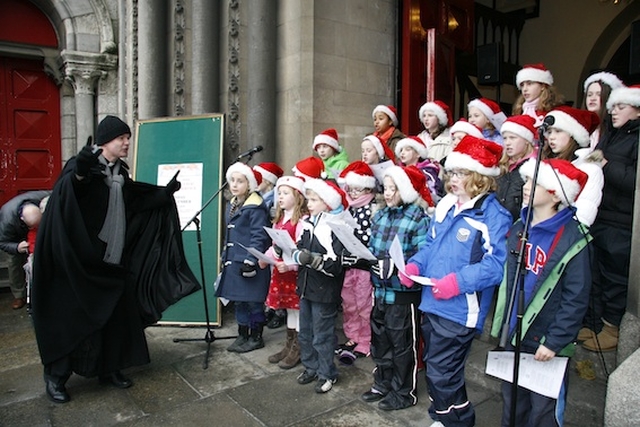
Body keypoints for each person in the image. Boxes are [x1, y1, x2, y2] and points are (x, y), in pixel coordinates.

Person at [31, 115, 199, 404]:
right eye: (121, 138)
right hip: (79, 261)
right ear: (105, 141)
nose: (126, 143)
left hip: (113, 260)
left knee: (114, 317)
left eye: (128, 138)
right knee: (74, 317)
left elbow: (134, 203)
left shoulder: (120, 174)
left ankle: (109, 368)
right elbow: (72, 191)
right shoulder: (83, 168)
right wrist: (81, 171)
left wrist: (164, 195)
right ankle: (56, 377)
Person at [402, 135, 511, 427]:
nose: (453, 179)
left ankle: (458, 421)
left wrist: (458, 282)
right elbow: (431, 247)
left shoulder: (493, 214)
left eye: (461, 173)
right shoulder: (447, 207)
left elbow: (495, 266)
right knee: (440, 371)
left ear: (479, 177)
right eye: (452, 172)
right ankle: (443, 415)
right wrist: (415, 264)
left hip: (462, 308)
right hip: (433, 302)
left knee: (441, 371)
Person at [492, 158, 591, 427]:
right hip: (516, 334)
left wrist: (555, 340)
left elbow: (576, 296)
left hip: (546, 340)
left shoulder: (574, 237)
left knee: (543, 412)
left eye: (535, 183)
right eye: (526, 180)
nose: (526, 186)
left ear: (556, 194)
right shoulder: (518, 228)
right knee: (513, 403)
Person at [359, 165, 431, 411]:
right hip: (379, 290)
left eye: (394, 189)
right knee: (380, 341)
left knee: (402, 345)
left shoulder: (417, 218)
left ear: (406, 190)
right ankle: (382, 383)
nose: (387, 194)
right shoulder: (380, 215)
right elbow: (372, 247)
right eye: (386, 188)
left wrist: (400, 266)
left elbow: (423, 255)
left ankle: (404, 392)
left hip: (402, 293)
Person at [580, 85, 640, 352]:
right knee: (595, 273)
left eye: (620, 106)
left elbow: (634, 181)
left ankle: (612, 328)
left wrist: (606, 165)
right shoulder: (613, 134)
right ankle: (594, 323)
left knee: (615, 277)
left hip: (623, 221)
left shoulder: (636, 138)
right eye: (613, 106)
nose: (613, 111)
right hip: (602, 214)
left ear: (637, 110)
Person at [292, 178, 350, 394]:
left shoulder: (335, 226)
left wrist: (313, 260)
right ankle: (311, 367)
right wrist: (291, 252)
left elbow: (336, 265)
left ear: (327, 202)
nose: (309, 203)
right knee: (305, 332)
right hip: (306, 287)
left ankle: (327, 373)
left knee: (322, 335)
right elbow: (298, 249)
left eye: (314, 199)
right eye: (309, 198)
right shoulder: (308, 223)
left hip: (325, 290)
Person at [217, 162, 272, 353]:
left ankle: (256, 336)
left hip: (248, 263)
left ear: (249, 184)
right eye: (232, 180)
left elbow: (259, 236)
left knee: (253, 301)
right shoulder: (232, 204)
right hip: (234, 261)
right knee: (238, 300)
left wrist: (251, 260)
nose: (234, 184)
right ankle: (242, 334)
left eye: (240, 181)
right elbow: (230, 235)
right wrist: (225, 256)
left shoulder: (255, 207)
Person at [260, 176, 308, 369]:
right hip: (280, 272)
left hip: (293, 272)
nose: (280, 197)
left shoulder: (302, 221)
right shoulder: (279, 219)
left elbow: (300, 249)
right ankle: (288, 345)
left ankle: (298, 349)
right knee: (288, 309)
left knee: (297, 309)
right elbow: (275, 245)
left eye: (285, 193)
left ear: (298, 196)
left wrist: (290, 265)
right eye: (279, 193)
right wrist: (264, 257)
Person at [335, 161, 379, 363]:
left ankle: (366, 340)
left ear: (368, 188)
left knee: (364, 305)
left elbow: (374, 238)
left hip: (364, 266)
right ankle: (353, 336)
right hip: (349, 263)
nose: (353, 193)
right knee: (349, 303)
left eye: (357, 189)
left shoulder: (373, 209)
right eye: (350, 189)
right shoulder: (349, 209)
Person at [541, 106, 603, 226]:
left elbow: (583, 215)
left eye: (558, 131)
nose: (551, 137)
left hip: (565, 236)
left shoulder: (590, 169)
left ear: (574, 135)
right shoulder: (547, 164)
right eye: (549, 132)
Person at [0, 190, 50, 309]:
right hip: (15, 238)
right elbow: (2, 242)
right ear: (22, 219)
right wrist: (16, 247)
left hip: (39, 232)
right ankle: (19, 295)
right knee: (13, 262)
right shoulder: (7, 220)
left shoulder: (42, 198)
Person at [253, 161, 286, 329]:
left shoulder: (274, 198)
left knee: (278, 278)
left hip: (274, 241)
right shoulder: (259, 197)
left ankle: (279, 311)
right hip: (266, 241)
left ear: (267, 180)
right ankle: (270, 307)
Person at [496, 115, 538, 221]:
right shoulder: (502, 164)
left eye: (513, 138)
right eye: (505, 138)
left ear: (527, 140)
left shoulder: (535, 166)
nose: (507, 143)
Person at [582, 71, 624, 150]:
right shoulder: (581, 127)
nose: (593, 98)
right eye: (589, 95)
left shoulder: (613, 130)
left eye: (599, 94)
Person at [395, 136, 439, 204]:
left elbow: (432, 192)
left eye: (407, 149)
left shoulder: (427, 172)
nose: (402, 153)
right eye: (401, 150)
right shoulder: (397, 171)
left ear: (418, 154)